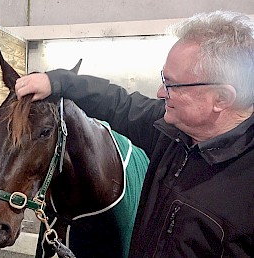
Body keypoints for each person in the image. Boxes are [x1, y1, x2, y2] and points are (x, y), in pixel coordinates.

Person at [15, 10, 254, 257]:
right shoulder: (173, 131)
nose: (161, 91)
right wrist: (58, 82)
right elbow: (119, 104)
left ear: (222, 98)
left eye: (171, 84)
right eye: (163, 78)